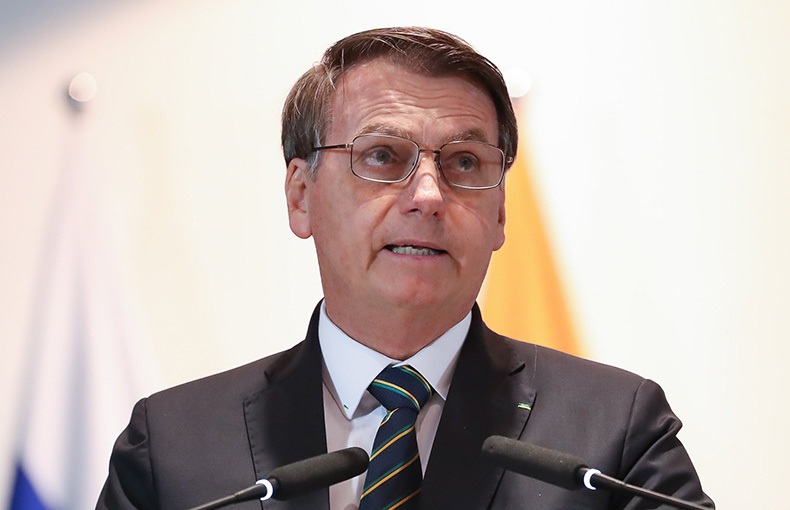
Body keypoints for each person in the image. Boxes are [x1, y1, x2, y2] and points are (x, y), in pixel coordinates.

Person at [96, 27, 714, 510]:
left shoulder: (614, 433)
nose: (428, 195)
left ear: (500, 214)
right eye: (383, 156)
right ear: (301, 196)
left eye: (465, 162)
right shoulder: (173, 448)